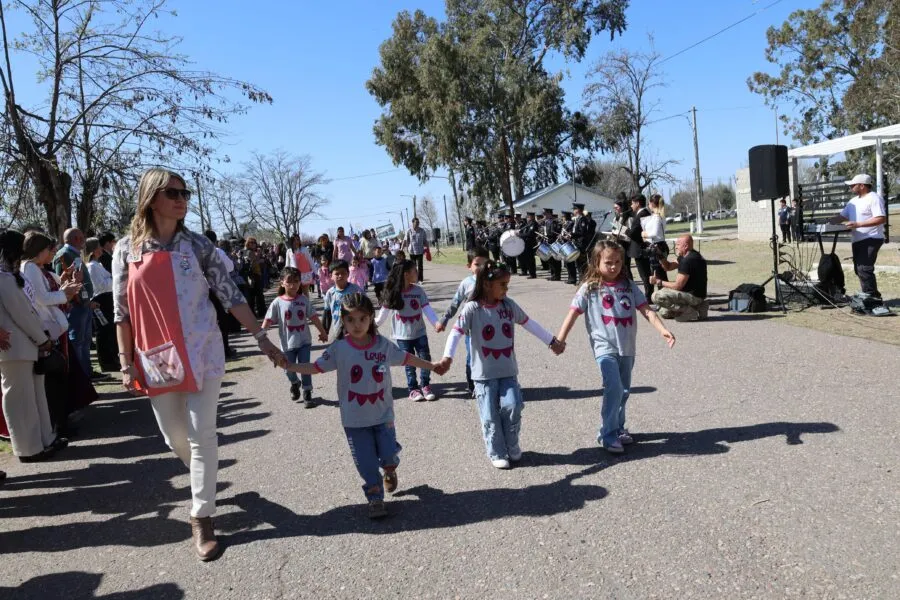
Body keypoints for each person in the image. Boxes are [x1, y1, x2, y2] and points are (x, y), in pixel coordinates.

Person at [113, 168, 285, 561]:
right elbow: (121, 311)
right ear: (151, 197)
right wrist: (125, 364)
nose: (181, 198)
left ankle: (201, 516)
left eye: (184, 192)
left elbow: (230, 294)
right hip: (157, 358)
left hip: (202, 350)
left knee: (201, 433)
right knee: (174, 437)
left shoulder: (198, 246)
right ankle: (203, 479)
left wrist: (261, 337)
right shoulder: (127, 249)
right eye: (172, 192)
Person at [288, 293, 445, 518]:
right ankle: (375, 497)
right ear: (343, 321)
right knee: (366, 463)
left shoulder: (383, 346)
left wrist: (431, 366)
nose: (357, 324)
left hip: (383, 416)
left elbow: (407, 358)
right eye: (350, 320)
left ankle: (390, 468)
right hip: (354, 420)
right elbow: (315, 367)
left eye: (362, 318)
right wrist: (290, 366)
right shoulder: (339, 349)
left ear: (371, 318)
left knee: (388, 455)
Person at [438, 261, 564, 469]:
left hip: (508, 371)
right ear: (487, 285)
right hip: (483, 375)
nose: (506, 289)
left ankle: (512, 444)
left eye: (507, 285)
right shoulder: (472, 309)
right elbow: (456, 332)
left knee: (513, 406)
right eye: (502, 284)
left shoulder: (508, 306)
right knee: (490, 415)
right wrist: (447, 357)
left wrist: (551, 341)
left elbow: (529, 324)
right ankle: (496, 451)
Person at [555, 241, 675, 454]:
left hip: (627, 347)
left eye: (618, 262)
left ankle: (618, 427)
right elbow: (572, 313)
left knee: (624, 390)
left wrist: (662, 330)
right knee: (614, 387)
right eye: (608, 262)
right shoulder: (590, 287)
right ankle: (607, 434)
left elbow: (646, 309)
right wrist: (560, 339)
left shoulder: (628, 285)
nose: (613, 266)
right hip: (604, 347)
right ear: (597, 262)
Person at [0, 229, 66, 463]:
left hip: (28, 345)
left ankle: (44, 439)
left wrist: (41, 339)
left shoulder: (12, 276)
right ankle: (28, 448)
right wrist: (42, 338)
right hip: (14, 348)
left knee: (36, 397)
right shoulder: (3, 278)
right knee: (21, 400)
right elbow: (22, 315)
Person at [375, 260, 440, 402]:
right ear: (406, 274)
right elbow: (382, 315)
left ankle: (425, 385)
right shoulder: (393, 293)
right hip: (402, 335)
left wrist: (436, 323)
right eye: (414, 271)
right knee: (409, 362)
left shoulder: (418, 291)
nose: (417, 273)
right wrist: (371, 326)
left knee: (425, 359)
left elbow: (427, 309)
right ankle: (413, 389)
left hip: (420, 332)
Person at [262, 267, 327, 408]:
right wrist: (262, 335)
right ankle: (294, 382)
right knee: (287, 368)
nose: (293, 285)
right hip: (287, 344)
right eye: (289, 281)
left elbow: (314, 317)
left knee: (305, 366)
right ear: (282, 283)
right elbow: (268, 319)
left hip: (304, 341)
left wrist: (323, 331)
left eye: (296, 281)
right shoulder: (277, 302)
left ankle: (307, 393)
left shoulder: (303, 300)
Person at [435, 247, 490, 397]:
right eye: (477, 264)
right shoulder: (466, 283)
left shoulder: (493, 281)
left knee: (489, 355)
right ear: (469, 266)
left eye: (485, 264)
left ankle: (488, 383)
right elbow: (455, 303)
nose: (481, 267)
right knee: (472, 356)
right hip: (471, 328)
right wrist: (444, 319)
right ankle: (472, 386)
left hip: (490, 327)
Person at [829, 174, 887, 300]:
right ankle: (869, 295)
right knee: (858, 269)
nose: (850, 187)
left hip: (872, 238)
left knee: (864, 268)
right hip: (857, 239)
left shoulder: (874, 198)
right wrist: (828, 222)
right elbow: (842, 216)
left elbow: (881, 218)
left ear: (862, 186)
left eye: (853, 185)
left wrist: (858, 224)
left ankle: (873, 298)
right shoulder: (853, 202)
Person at [53, 228, 95, 377]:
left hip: (83, 303)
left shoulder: (74, 254)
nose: (84, 240)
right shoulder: (64, 254)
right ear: (76, 239)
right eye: (82, 237)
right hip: (75, 304)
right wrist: (74, 299)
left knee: (84, 340)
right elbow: (60, 279)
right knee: (76, 340)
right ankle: (79, 376)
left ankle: (86, 373)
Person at [651, 234, 709, 321]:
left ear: (685, 246)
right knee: (664, 312)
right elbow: (668, 267)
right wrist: (660, 255)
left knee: (656, 296)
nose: (676, 247)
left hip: (694, 296)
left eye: (678, 244)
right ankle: (700, 307)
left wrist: (659, 282)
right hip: (692, 295)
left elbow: (677, 286)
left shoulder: (688, 260)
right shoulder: (686, 256)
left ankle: (689, 311)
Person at [84, 237, 117, 373]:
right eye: (98, 247)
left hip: (107, 299)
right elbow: (101, 285)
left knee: (109, 330)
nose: (101, 249)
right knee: (103, 332)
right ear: (93, 249)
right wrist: (112, 279)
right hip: (101, 300)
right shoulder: (91, 266)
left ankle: (111, 359)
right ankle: (106, 362)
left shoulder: (98, 265)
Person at [321, 260, 362, 343]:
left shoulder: (356, 290)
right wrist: (324, 331)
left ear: (348, 273)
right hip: (338, 330)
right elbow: (327, 313)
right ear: (331, 276)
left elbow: (365, 309)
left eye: (343, 273)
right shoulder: (330, 293)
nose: (340, 276)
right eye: (337, 274)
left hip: (355, 329)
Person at [628, 194, 653, 299]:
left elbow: (634, 232)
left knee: (645, 275)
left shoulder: (643, 214)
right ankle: (648, 295)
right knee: (644, 274)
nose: (631, 205)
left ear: (638, 203)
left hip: (641, 249)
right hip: (638, 248)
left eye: (632, 203)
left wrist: (626, 231)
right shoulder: (640, 213)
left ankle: (648, 296)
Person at [642, 194, 669, 288]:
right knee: (659, 272)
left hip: (658, 247)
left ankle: (664, 295)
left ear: (651, 203)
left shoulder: (657, 217)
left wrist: (644, 234)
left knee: (659, 273)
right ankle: (663, 294)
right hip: (659, 245)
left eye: (649, 203)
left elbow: (655, 233)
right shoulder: (659, 216)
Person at [571, 202, 596, 283]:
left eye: (574, 209)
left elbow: (583, 232)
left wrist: (572, 235)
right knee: (578, 263)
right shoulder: (577, 219)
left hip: (581, 244)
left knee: (582, 264)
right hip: (577, 243)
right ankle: (582, 279)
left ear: (578, 210)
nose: (573, 211)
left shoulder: (582, 219)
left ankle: (583, 280)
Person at [241, 237, 266, 318]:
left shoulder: (247, 251)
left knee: (252, 295)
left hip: (252, 275)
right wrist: (259, 259)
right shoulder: (249, 252)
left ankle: (254, 313)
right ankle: (261, 312)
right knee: (258, 295)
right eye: (251, 242)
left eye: (254, 242)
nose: (253, 244)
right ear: (248, 243)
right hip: (253, 275)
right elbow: (252, 264)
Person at [403, 218, 429, 282]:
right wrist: (402, 248)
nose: (417, 223)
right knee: (413, 267)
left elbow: (425, 240)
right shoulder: (409, 231)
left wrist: (428, 249)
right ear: (413, 223)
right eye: (416, 222)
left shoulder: (422, 231)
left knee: (420, 266)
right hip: (412, 251)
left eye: (418, 222)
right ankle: (415, 279)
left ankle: (420, 280)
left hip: (420, 251)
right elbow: (405, 240)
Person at [541, 208, 562, 282]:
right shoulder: (546, 222)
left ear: (549, 213)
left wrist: (548, 235)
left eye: (545, 214)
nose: (544, 215)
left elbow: (555, 232)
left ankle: (557, 275)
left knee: (555, 259)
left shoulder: (554, 222)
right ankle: (552, 274)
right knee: (550, 259)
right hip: (548, 241)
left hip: (554, 242)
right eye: (544, 214)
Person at [517, 212, 538, 279]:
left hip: (531, 243)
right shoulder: (528, 223)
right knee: (527, 259)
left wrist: (519, 235)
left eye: (528, 217)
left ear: (532, 216)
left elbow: (530, 233)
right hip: (526, 243)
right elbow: (525, 232)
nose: (527, 218)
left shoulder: (534, 223)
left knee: (530, 259)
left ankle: (533, 274)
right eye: (527, 217)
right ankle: (530, 273)